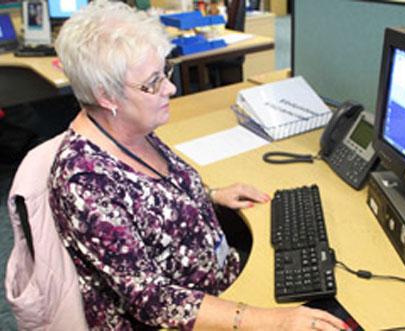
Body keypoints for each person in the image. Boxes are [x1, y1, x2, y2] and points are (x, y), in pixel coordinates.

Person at [48, 1, 348, 330]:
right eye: (153, 83)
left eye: (165, 72)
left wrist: (211, 196)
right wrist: (268, 321)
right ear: (105, 96)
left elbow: (152, 196)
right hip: (179, 318)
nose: (171, 88)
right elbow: (151, 299)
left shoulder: (130, 127)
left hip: (221, 281)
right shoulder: (83, 182)